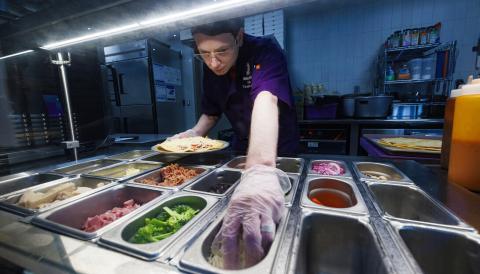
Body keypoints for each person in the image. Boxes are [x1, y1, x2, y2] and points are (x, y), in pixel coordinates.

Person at [171, 18, 299, 269]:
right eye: (204, 54)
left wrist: (260, 169)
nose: (213, 62)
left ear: (239, 37)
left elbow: (266, 99)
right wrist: (194, 132)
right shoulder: (212, 63)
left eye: (222, 51)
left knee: (270, 208)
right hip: (242, 147)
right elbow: (211, 112)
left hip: (277, 149)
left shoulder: (265, 51)